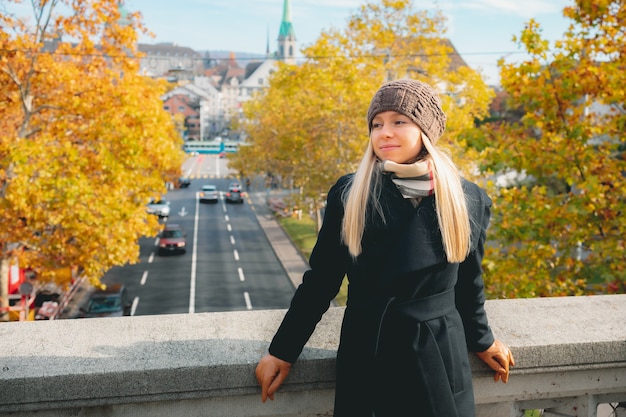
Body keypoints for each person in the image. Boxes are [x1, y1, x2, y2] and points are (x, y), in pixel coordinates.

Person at [255, 78, 515, 417]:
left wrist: (482, 340)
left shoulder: (467, 199)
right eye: (376, 124)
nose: (384, 132)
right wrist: (283, 350)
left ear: (425, 130)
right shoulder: (351, 193)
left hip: (439, 351)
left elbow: (469, 283)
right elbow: (321, 280)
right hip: (369, 348)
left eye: (398, 121)